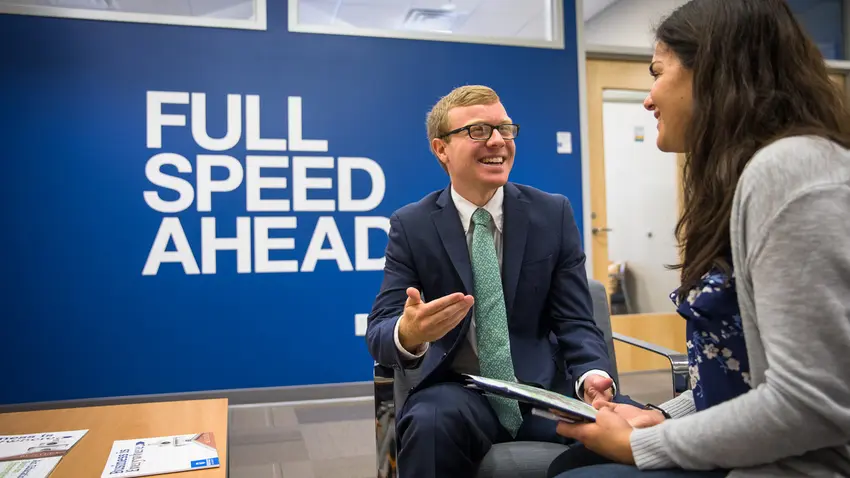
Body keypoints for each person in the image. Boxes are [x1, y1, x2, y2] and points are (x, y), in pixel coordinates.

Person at [550, 0, 850, 477]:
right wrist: (664, 415)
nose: (648, 98)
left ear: (713, 74)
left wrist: (644, 445)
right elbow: (745, 374)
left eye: (657, 72)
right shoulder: (751, 177)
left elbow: (814, 402)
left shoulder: (790, 173)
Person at [365, 85, 619, 477]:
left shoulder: (553, 214)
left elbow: (576, 322)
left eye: (505, 129)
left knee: (633, 432)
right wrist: (409, 332)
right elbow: (379, 333)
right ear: (441, 149)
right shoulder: (411, 226)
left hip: (544, 393)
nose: (498, 140)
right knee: (428, 423)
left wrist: (593, 375)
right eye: (478, 131)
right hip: (461, 392)